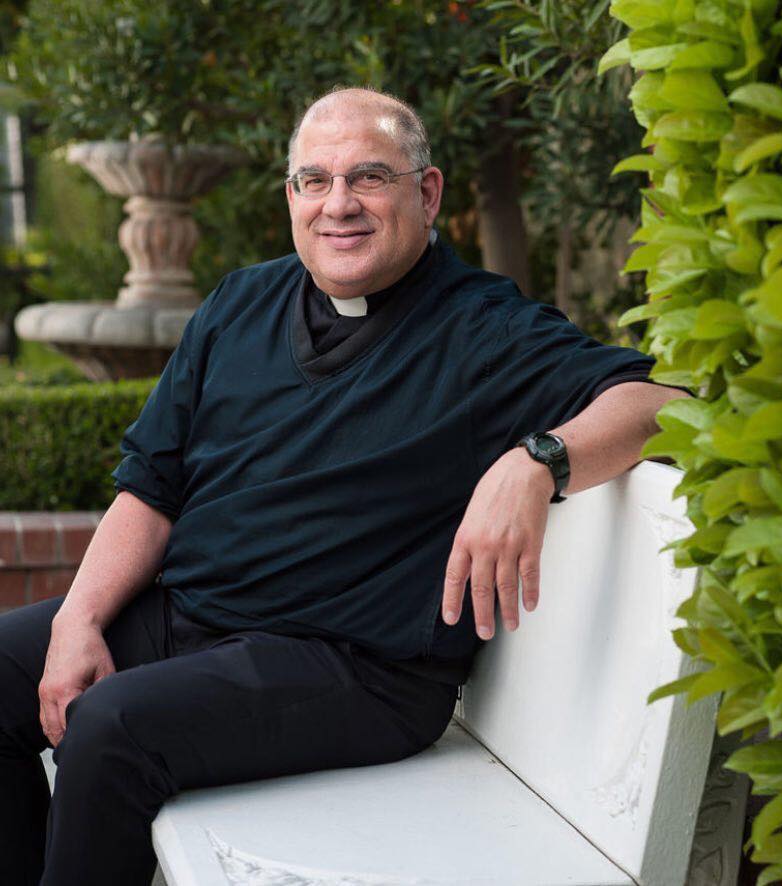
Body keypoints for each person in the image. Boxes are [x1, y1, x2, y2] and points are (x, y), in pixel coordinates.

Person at [0, 87, 690, 886]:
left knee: (110, 728)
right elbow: (151, 488)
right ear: (291, 197)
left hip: (356, 668)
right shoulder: (239, 303)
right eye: (314, 181)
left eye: (368, 177)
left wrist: (537, 462)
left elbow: (664, 404)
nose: (338, 204)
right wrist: (79, 619)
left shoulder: (486, 330)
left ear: (426, 193)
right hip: (189, 618)